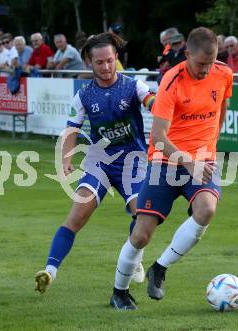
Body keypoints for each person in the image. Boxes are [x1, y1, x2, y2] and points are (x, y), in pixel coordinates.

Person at [110, 27, 233, 310]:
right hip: (165, 162)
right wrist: (188, 162)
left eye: (211, 62)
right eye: (201, 63)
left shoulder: (224, 73)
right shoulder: (171, 81)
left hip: (202, 159)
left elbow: (221, 108)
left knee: (207, 210)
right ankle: (119, 292)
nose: (206, 70)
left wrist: (210, 146)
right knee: (141, 234)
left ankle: (160, 268)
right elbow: (158, 139)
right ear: (187, 53)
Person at [34, 32, 156, 294]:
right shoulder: (83, 96)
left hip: (132, 162)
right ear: (90, 62)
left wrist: (158, 106)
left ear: (116, 59)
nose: (106, 67)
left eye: (110, 60)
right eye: (99, 62)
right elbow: (71, 131)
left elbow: (152, 101)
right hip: (99, 161)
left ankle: (134, 257)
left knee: (142, 215)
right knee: (77, 214)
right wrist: (67, 158)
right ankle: (49, 271)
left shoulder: (133, 86)